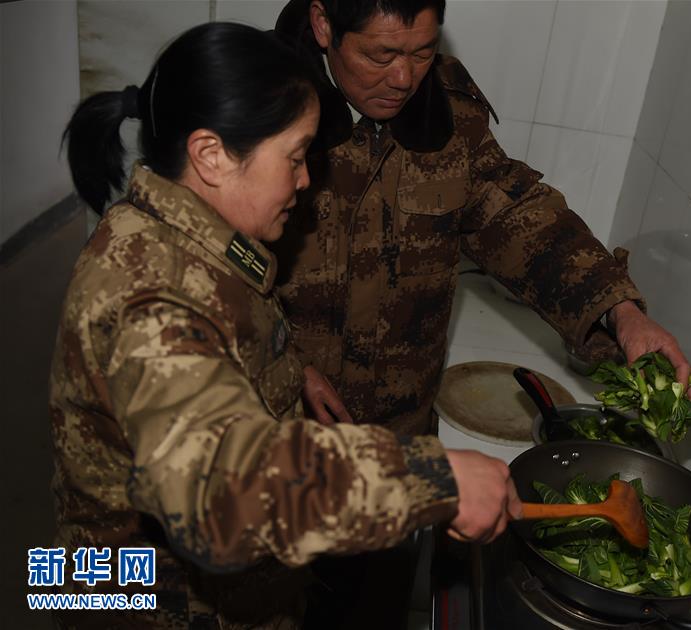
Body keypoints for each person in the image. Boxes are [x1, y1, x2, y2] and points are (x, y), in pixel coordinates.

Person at [50, 22, 520, 629]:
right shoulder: (152, 297)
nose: (305, 180)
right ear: (212, 156)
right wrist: (433, 477)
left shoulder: (183, 236)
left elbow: (217, 346)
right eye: (295, 158)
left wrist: (286, 365)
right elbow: (218, 492)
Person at [271, 0, 691, 438]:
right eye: (380, 56)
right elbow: (213, 267)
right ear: (324, 25)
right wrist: (285, 360)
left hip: (400, 430)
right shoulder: (258, 109)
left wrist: (620, 311)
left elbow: (517, 220)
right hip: (280, 429)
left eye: (422, 53)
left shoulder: (449, 113)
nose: (403, 80)